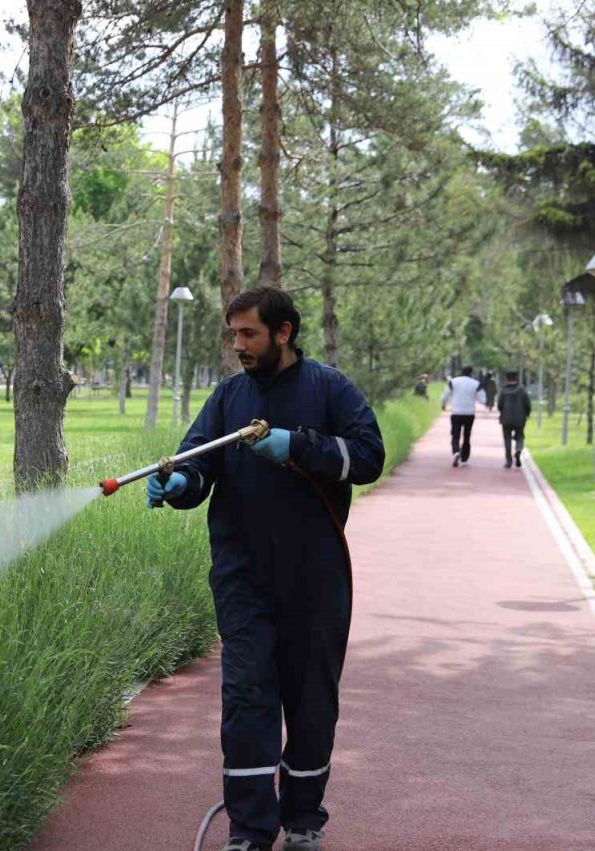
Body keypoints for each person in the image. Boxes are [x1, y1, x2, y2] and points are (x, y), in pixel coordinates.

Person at [146, 287, 384, 851]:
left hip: (316, 577)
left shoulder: (331, 389)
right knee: (247, 697)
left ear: (284, 331)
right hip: (242, 575)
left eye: (249, 334)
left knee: (311, 701)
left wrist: (301, 446)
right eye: (233, 335)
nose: (238, 346)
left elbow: (369, 458)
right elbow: (197, 460)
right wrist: (181, 484)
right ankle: (250, 828)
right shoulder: (229, 397)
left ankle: (302, 820)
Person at [440, 366, 482, 467]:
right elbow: (482, 399)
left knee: (455, 434)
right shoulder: (476, 384)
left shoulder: (453, 382)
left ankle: (455, 452)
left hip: (456, 412)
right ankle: (464, 458)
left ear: (461, 372)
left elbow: (445, 395)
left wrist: (443, 405)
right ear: (471, 373)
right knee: (467, 436)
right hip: (469, 413)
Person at [497, 370, 531, 468]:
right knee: (520, 436)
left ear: (507, 379)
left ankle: (508, 461)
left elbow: (499, 405)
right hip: (520, 418)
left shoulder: (503, 390)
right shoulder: (522, 389)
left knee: (507, 439)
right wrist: (527, 413)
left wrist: (503, 412)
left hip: (506, 418)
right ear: (516, 378)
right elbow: (527, 404)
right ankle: (518, 450)